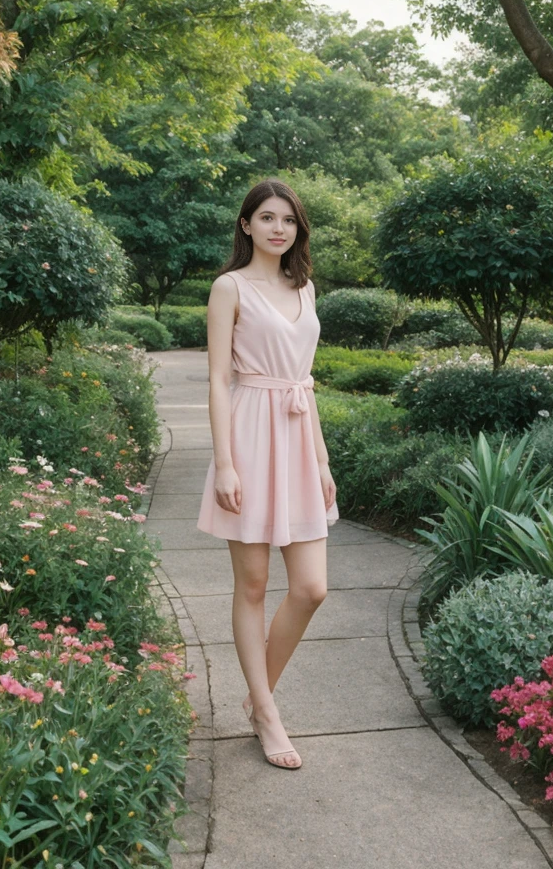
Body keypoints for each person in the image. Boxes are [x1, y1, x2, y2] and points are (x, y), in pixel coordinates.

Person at [196, 177, 339, 770]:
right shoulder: (229, 287)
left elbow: (306, 380)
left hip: (299, 437)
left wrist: (324, 460)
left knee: (311, 588)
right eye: (267, 218)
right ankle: (268, 710)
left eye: (288, 220)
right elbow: (217, 379)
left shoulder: (304, 288)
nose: (279, 228)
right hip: (250, 435)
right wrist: (225, 462)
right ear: (246, 225)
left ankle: (259, 701)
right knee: (252, 584)